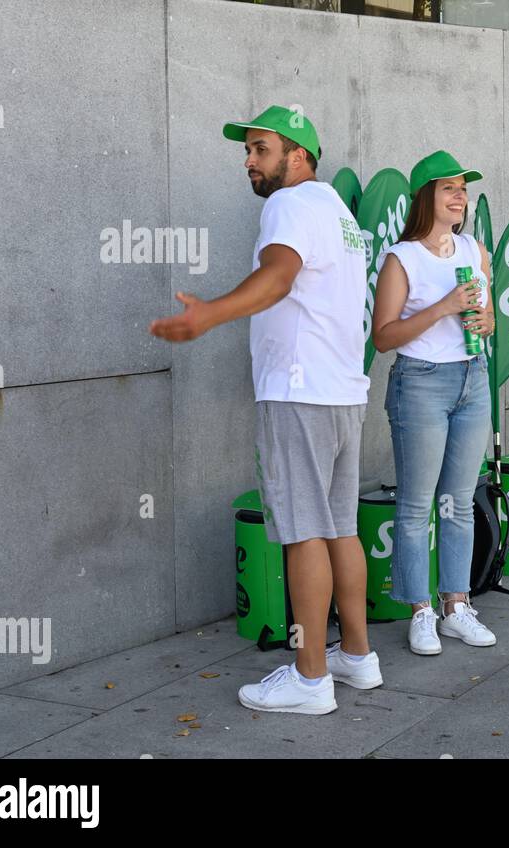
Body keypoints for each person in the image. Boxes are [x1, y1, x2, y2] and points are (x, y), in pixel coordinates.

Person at [149, 106, 381, 714]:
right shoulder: (339, 213)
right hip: (342, 392)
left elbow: (279, 277)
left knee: (302, 533)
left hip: (298, 393)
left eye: (260, 149)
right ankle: (356, 657)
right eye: (247, 151)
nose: (249, 162)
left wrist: (208, 315)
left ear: (298, 155)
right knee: (339, 529)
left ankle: (310, 678)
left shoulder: (288, 205)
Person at [371, 150, 498, 656]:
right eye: (449, 188)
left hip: (473, 377)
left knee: (460, 501)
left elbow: (487, 316)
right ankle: (419, 611)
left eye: (463, 188)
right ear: (426, 197)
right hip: (420, 383)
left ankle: (456, 605)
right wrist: (444, 307)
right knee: (416, 505)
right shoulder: (402, 259)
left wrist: (487, 322)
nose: (460, 196)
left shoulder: (475, 250)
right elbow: (383, 336)